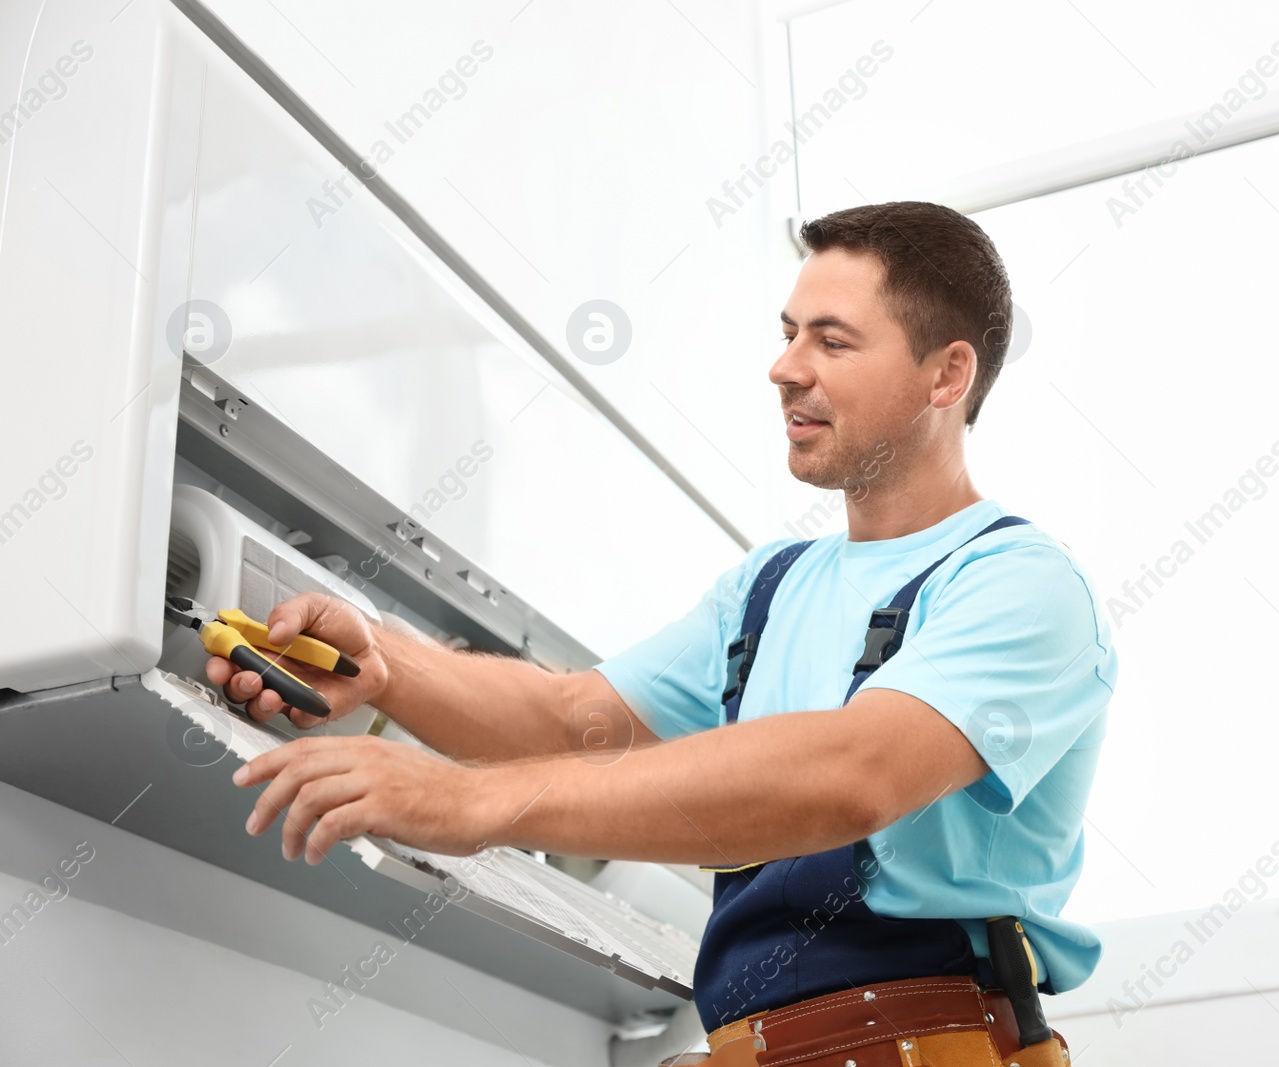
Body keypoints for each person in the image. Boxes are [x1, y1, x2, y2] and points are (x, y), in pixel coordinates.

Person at [213, 201, 1117, 1066]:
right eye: (788, 332)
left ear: (947, 375)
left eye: (832, 340)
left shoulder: (1020, 584)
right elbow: (574, 716)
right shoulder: (768, 589)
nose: (786, 367)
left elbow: (855, 774)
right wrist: (386, 663)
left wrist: (470, 802)